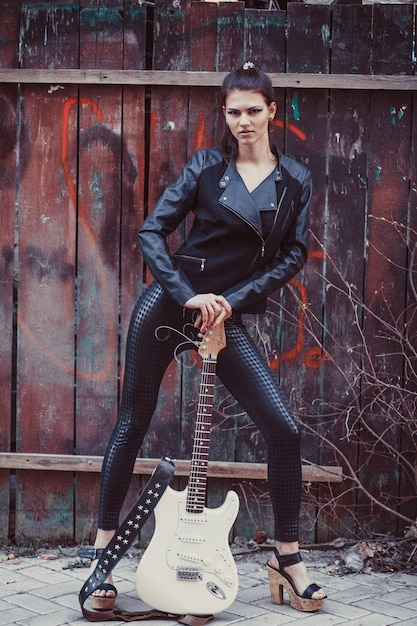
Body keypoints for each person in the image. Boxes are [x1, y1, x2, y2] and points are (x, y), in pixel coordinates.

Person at [88, 62, 326, 613]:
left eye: (253, 110)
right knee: (132, 421)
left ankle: (286, 558)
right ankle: (102, 556)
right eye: (233, 111)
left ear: (273, 111)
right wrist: (189, 293)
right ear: (226, 115)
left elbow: (293, 252)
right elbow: (152, 230)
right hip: (171, 305)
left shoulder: (294, 179)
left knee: (284, 430)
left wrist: (231, 301)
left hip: (227, 317)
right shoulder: (205, 167)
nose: (243, 120)